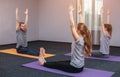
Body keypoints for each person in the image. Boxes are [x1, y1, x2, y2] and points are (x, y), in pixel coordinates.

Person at [38, 4, 92, 73]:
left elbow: (72, 26)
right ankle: (46, 62)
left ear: (78, 30)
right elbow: (83, 26)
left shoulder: (78, 39)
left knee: (58, 65)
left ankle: (43, 63)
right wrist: (80, 14)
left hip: (75, 68)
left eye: (76, 27)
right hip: (80, 66)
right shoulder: (85, 37)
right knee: (62, 62)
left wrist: (70, 12)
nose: (75, 28)